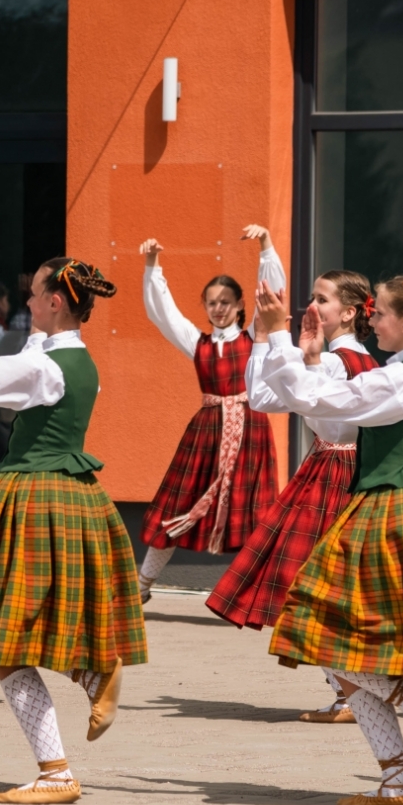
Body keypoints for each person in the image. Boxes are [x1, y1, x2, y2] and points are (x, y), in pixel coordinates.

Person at [259, 275, 403, 805]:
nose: (373, 321)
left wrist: (277, 337)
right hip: (391, 510)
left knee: (328, 635)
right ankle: (398, 778)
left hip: (392, 515)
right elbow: (327, 413)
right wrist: (312, 359)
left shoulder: (402, 380)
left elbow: (319, 400)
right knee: (342, 645)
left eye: (381, 313)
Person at [0, 256, 145, 805]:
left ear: (55, 302)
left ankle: (56, 773)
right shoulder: (67, 356)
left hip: (30, 497)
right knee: (24, 627)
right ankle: (91, 674)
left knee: (8, 639)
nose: (26, 303)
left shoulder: (45, 366)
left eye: (35, 294)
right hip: (71, 495)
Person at [205, 270, 377, 724]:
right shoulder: (362, 358)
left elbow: (261, 397)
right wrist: (265, 336)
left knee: (309, 586)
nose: (311, 306)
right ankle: (353, 693)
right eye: (312, 297)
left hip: (332, 471)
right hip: (346, 469)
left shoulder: (336, 361)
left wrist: (269, 336)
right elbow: (265, 395)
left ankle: (355, 695)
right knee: (326, 588)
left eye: (321, 299)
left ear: (350, 312)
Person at [135, 226, 284, 599]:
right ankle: (142, 585)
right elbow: (163, 313)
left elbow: (272, 292)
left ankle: (264, 594)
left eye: (225, 302)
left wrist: (266, 246)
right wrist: (153, 263)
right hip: (206, 432)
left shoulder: (253, 336)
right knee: (177, 503)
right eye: (212, 302)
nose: (218, 309)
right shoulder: (197, 343)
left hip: (250, 428)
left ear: (239, 305)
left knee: (254, 511)